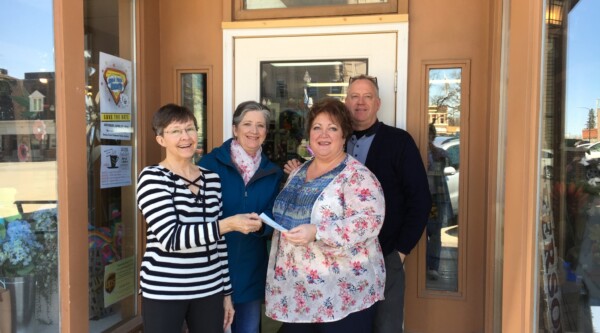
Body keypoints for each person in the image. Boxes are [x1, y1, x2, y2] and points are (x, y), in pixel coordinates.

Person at [284, 74, 431, 333]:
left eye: (367, 96)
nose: (360, 102)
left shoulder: (399, 142)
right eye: (354, 96)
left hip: (383, 254)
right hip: (327, 265)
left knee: (384, 325)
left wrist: (401, 250)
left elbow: (420, 200)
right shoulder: (331, 142)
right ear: (346, 102)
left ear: (378, 103)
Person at [136, 103, 264, 333]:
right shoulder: (152, 178)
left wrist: (226, 294)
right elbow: (171, 238)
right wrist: (226, 224)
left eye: (190, 129)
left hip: (209, 290)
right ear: (161, 140)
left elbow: (218, 245)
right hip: (165, 289)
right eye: (175, 131)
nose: (185, 137)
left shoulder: (211, 179)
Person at [265, 97, 386, 333]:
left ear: (344, 136)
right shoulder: (299, 171)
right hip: (297, 291)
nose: (324, 134)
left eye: (332, 128)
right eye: (317, 128)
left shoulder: (358, 176)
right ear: (309, 134)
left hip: (342, 293)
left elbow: (369, 222)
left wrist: (318, 231)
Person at [198, 101, 283, 333]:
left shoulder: (273, 173)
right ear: (235, 129)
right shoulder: (209, 164)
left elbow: (274, 217)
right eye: (247, 124)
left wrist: (262, 227)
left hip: (250, 272)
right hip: (210, 272)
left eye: (260, 125)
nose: (253, 131)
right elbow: (195, 216)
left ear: (266, 132)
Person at [426, 122, 452, 281]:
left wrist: (434, 151)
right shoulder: (415, 152)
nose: (427, 139)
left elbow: (448, 162)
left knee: (434, 232)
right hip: (421, 198)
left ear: (433, 136)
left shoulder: (439, 153)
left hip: (435, 199)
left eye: (429, 135)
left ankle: (433, 267)